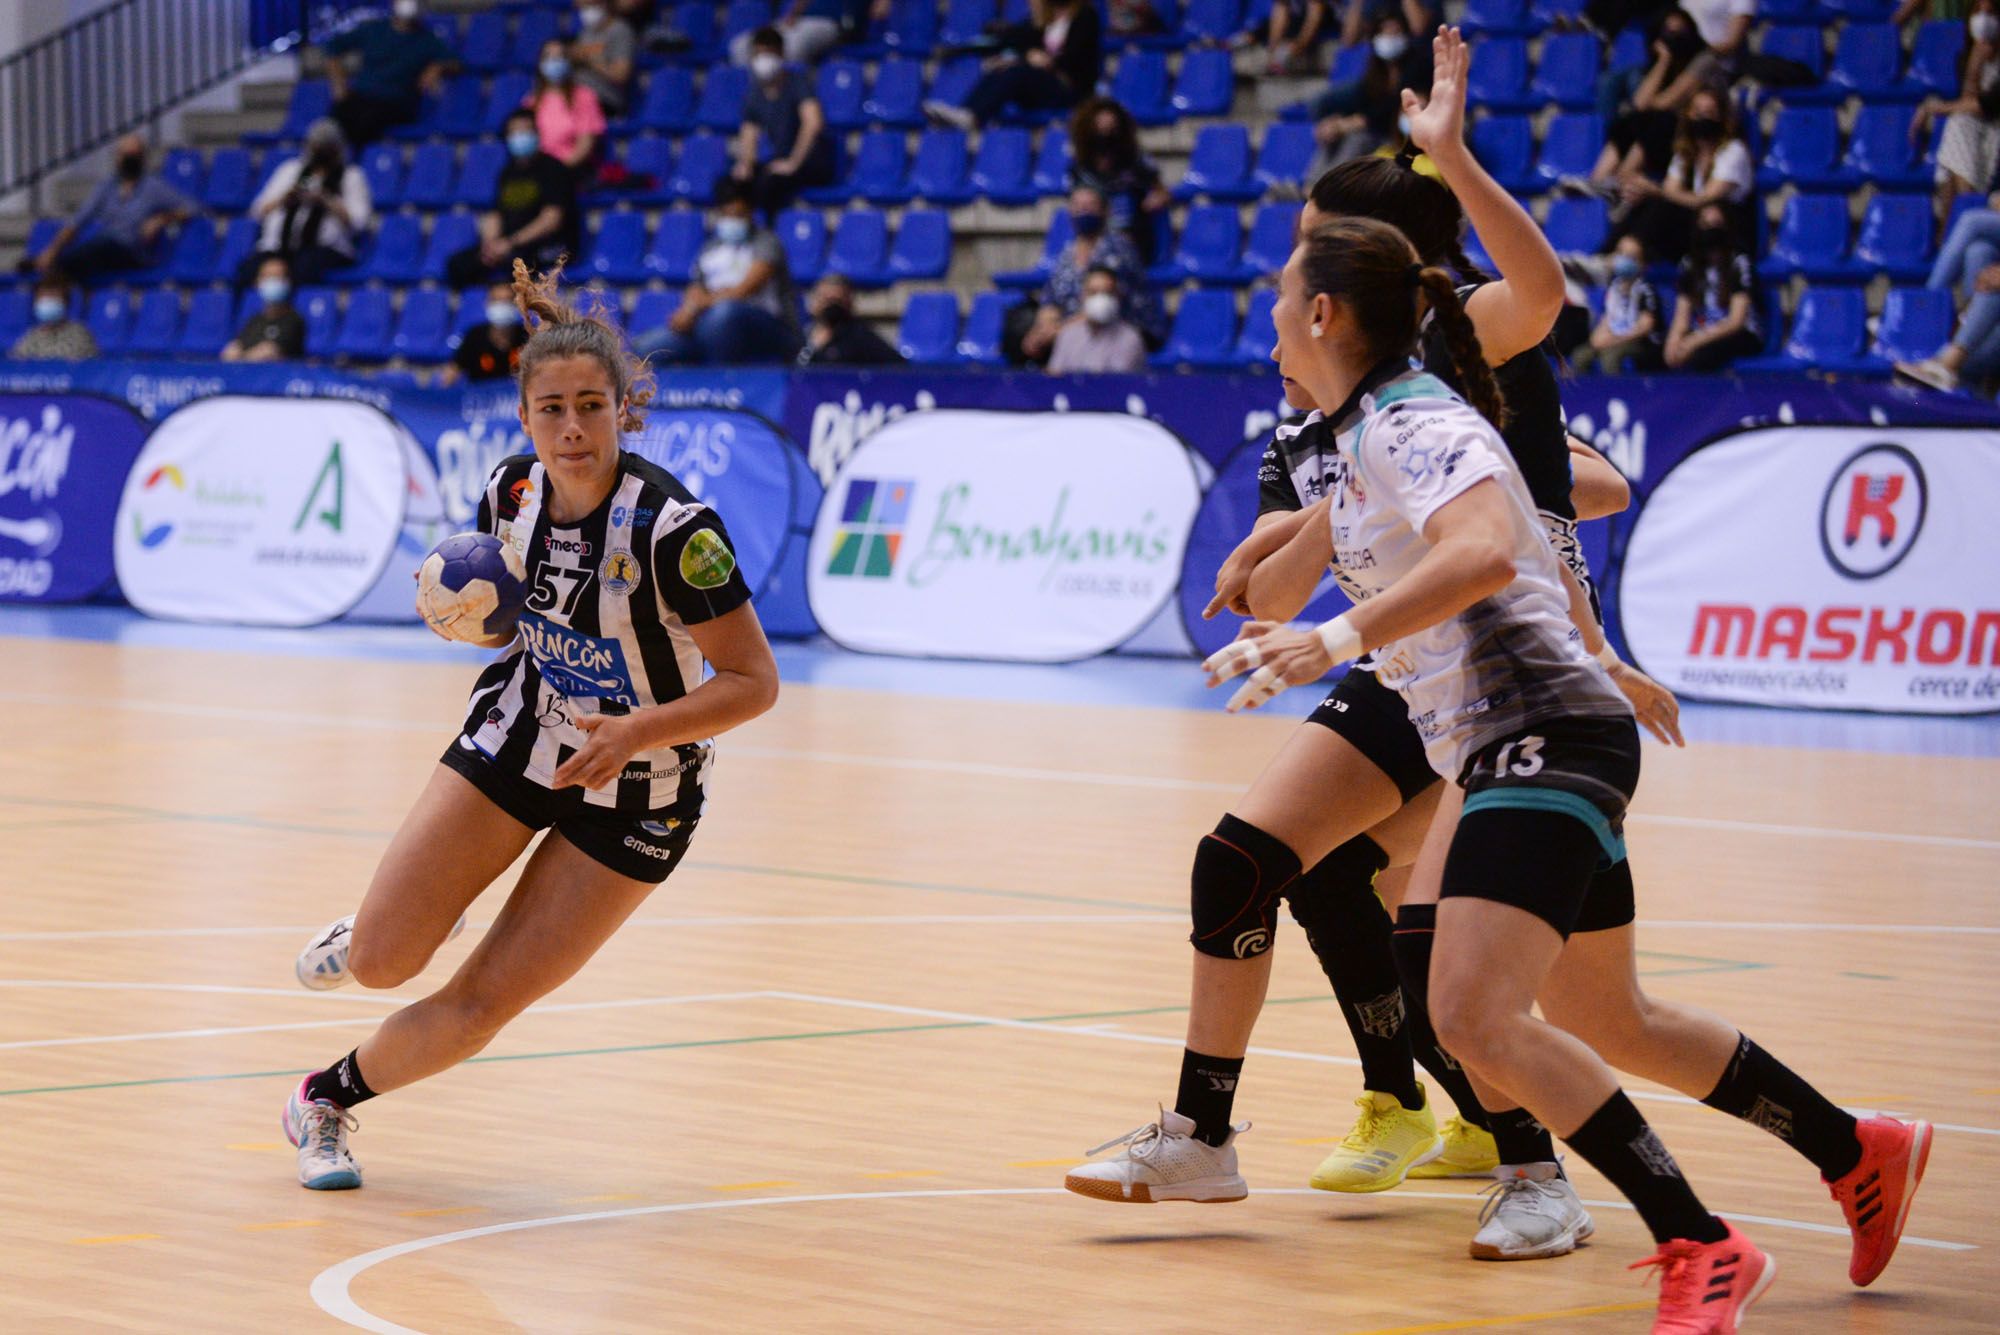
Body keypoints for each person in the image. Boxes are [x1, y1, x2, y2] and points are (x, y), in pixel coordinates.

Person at [1198, 215, 1929, 1326]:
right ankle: (1855, 1148)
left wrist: (1333, 640)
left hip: (1534, 731)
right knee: (1606, 1015)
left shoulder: (1411, 420)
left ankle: (1698, 1242)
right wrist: (1282, 582)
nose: (1265, 335)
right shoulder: (1354, 441)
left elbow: (1487, 547)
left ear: (1323, 314)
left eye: (1276, 308)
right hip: (1520, 734)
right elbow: (1351, 573)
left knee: (1470, 1012)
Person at [284, 258, 780, 1192]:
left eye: (591, 405)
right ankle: (399, 916)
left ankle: (323, 1099)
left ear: (623, 408)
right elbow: (513, 622)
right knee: (388, 959)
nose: (572, 427)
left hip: (640, 790)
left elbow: (755, 682)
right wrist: (470, 617)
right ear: (525, 417)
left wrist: (635, 732)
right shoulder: (512, 496)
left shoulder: (679, 531)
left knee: (479, 1006)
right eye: (551, 408)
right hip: (520, 738)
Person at [633, 180, 801, 364]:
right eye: (726, 215)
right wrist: (688, 312)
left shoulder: (767, 242)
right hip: (708, 322)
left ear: (751, 213)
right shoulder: (710, 247)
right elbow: (696, 287)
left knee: (723, 314)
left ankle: (720, 386)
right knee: (648, 346)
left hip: (767, 326)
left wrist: (700, 307)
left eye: (738, 215)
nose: (732, 221)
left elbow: (743, 291)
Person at [1020, 186, 1162, 363]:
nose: (1083, 211)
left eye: (1090, 205)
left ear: (1105, 211)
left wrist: (1059, 332)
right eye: (1078, 206)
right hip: (1069, 335)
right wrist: (1041, 331)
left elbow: (1106, 302)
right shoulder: (1066, 254)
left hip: (1115, 333)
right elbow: (1051, 299)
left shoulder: (1119, 249)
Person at [28, 134, 196, 284]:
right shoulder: (106, 187)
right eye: (125, 154)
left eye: (134, 155)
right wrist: (52, 250)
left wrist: (162, 219)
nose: (129, 159)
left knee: (96, 249)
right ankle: (52, 267)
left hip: (133, 252)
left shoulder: (154, 187)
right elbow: (77, 222)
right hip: (105, 248)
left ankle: (50, 270)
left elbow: (192, 208)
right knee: (93, 250)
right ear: (117, 157)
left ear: (142, 158)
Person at [1611, 86, 1751, 263]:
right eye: (1698, 112)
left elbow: (1705, 198)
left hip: (1725, 230)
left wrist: (1657, 190)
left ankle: (1628, 252)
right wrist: (1658, 191)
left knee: (1663, 206)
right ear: (1688, 115)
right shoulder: (1685, 152)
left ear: (1722, 116)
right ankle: (1619, 251)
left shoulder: (1734, 151)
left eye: (1710, 112)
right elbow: (1670, 188)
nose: (1703, 118)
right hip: (1691, 227)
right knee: (1643, 202)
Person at [447, 111, 580, 290]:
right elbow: (496, 213)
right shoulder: (507, 173)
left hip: (546, 245)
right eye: (515, 133)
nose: (521, 138)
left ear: (537, 134)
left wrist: (510, 243)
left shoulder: (554, 169)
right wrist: (491, 243)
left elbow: (551, 220)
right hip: (509, 245)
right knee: (459, 265)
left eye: (526, 131)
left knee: (522, 263)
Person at [924, 0, 1102, 130]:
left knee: (1017, 71)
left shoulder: (1085, 15)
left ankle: (974, 116)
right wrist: (959, 51)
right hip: (1038, 86)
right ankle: (966, 112)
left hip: (1068, 87)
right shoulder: (1042, 20)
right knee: (1002, 66)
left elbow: (1078, 56)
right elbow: (1011, 40)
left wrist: (1048, 62)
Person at [239, 118, 373, 289]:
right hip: (278, 246)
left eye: (325, 146)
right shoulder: (290, 170)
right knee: (246, 270)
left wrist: (326, 200)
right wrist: (285, 198)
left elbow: (359, 222)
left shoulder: (351, 176)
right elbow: (258, 210)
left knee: (302, 268)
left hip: (324, 248)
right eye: (317, 145)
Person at [1307, 11, 1434, 170]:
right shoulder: (1375, 71)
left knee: (1357, 139)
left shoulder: (1418, 67)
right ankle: (1311, 185)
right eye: (1384, 32)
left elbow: (1392, 108)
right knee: (1332, 134)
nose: (1389, 37)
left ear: (1406, 35)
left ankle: (1333, 189)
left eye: (1395, 32)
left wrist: (1350, 124)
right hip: (1372, 128)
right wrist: (1336, 123)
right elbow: (1362, 101)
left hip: (1395, 134)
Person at [322, 0, 453, 149]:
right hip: (361, 98)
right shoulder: (374, 29)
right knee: (335, 119)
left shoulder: (427, 39)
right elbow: (332, 48)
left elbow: (454, 62)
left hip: (396, 103)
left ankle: (353, 160)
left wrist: (437, 67)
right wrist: (339, 86)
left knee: (367, 120)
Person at [733, 27, 837, 214]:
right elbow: (749, 132)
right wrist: (746, 165)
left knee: (769, 184)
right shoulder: (754, 93)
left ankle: (767, 233)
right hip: (779, 160)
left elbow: (813, 123)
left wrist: (793, 163)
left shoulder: (798, 83)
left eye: (769, 53)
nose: (763, 59)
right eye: (758, 54)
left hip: (809, 162)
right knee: (733, 184)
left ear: (781, 54)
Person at [1913, 1, 2000, 199]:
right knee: (1959, 124)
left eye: (1991, 13)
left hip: (1995, 127)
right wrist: (1974, 66)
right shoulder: (1965, 56)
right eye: (1979, 12)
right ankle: (1964, 205)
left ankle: (1963, 208)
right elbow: (1968, 99)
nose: (1983, 20)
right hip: (1975, 129)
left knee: (1959, 124)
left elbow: (1984, 106)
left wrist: (1933, 109)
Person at [1067, 97, 1170, 263]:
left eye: (1111, 129)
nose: (1105, 137)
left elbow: (1160, 191)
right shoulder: (1079, 168)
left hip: (1132, 233)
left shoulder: (1135, 161)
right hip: (1092, 236)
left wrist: (1157, 197)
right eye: (1100, 130)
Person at [1665, 202, 1761, 370]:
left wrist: (1694, 341)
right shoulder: (1689, 265)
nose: (1711, 231)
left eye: (1717, 224)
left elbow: (1736, 321)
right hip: (1702, 330)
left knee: (1701, 357)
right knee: (1668, 356)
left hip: (1738, 334)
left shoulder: (1739, 263)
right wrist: (1673, 342)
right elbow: (1682, 316)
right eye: (1706, 224)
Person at [1575, 235, 1664, 372]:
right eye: (1621, 253)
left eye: (1631, 257)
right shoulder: (1613, 288)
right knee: (1581, 355)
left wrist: (1613, 340)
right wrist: (1596, 340)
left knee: (1610, 356)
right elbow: (1607, 319)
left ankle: (1616, 393)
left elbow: (1645, 326)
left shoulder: (1645, 290)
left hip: (1639, 343)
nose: (1623, 260)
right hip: (1614, 338)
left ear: (1643, 265)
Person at [526, 38, 608, 179]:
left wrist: (557, 171)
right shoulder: (531, 101)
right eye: (548, 57)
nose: (553, 62)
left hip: (571, 172)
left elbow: (585, 144)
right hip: (538, 173)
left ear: (568, 62)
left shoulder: (585, 97)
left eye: (559, 57)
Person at [1047, 266, 1148, 372]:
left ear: (1117, 296)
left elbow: (1116, 383)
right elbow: (1054, 375)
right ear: (1082, 296)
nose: (1100, 299)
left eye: (1107, 293)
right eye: (1093, 292)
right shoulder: (1067, 335)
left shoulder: (1130, 338)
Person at [797, 275, 904, 365]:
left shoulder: (862, 338)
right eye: (825, 300)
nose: (830, 307)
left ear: (849, 304)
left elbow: (895, 365)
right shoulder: (800, 335)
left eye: (837, 301)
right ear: (813, 304)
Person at [221, 256, 306, 362]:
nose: (273, 281)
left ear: (288, 282)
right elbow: (236, 347)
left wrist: (242, 358)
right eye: (268, 276)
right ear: (257, 283)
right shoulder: (254, 320)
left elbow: (270, 351)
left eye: (278, 277)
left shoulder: (294, 320)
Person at [729, 0, 860, 66]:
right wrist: (792, 14)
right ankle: (755, 93)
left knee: (794, 43)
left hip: (828, 22)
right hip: (799, 21)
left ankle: (786, 88)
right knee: (740, 45)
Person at [448, 281, 532, 383]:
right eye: (496, 301)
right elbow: (452, 373)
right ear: (487, 304)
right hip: (479, 396)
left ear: (517, 305)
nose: (502, 306)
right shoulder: (474, 337)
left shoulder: (528, 336)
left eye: (507, 301)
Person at [572, 0, 638, 117]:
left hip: (604, 100)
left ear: (604, 4)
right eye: (583, 8)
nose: (586, 12)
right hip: (578, 95)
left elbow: (621, 75)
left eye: (590, 6)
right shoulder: (586, 33)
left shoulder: (621, 31)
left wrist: (591, 61)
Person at [7, 276, 97, 361]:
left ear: (66, 304)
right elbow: (16, 361)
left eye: (53, 299)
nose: (48, 304)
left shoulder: (79, 333)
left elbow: (88, 367)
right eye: (43, 300)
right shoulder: (31, 335)